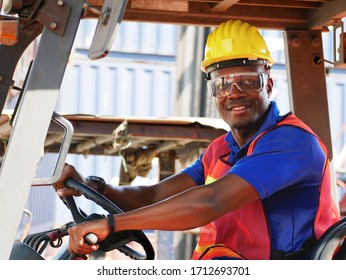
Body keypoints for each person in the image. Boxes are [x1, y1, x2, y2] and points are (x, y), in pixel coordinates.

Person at [53, 19, 340, 260]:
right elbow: (152, 196)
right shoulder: (220, 150)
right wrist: (93, 187)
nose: (234, 92)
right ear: (213, 93)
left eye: (248, 81)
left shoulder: (291, 143)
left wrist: (112, 225)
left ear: (269, 84)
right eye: (222, 84)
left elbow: (210, 202)